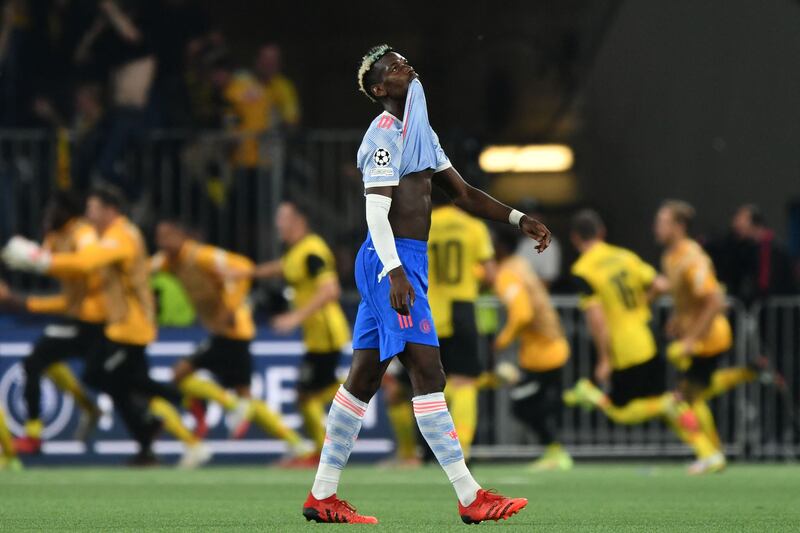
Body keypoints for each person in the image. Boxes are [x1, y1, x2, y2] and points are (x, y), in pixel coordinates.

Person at [303, 44, 551, 525]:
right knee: (428, 373)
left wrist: (519, 220)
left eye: (404, 61)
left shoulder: (421, 133)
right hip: (389, 259)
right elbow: (376, 211)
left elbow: (463, 194)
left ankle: (322, 496)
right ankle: (469, 495)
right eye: (393, 68)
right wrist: (395, 271)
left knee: (364, 379)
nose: (406, 67)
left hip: (400, 260)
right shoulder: (383, 136)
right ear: (379, 90)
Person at [2, 184, 210, 468]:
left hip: (132, 327)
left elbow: (87, 263)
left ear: (110, 210)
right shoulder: (100, 235)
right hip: (118, 325)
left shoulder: (121, 235)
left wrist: (41, 263)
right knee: (118, 383)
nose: (89, 214)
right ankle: (148, 439)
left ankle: (184, 400)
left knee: (108, 376)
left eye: (93, 209)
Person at [562, 209, 724, 474]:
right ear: (602, 232)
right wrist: (642, 305)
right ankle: (708, 452)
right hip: (647, 336)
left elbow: (597, 318)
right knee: (670, 402)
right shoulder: (625, 256)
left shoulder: (583, 269)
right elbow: (661, 285)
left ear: (575, 239)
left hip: (625, 348)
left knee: (620, 411)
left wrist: (604, 359)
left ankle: (589, 394)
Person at [151, 220, 311, 460]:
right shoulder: (169, 260)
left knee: (181, 373)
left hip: (233, 330)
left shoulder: (201, 255)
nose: (160, 242)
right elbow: (145, 268)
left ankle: (230, 408)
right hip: (226, 332)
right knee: (246, 398)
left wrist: (231, 308)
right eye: (158, 237)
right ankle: (296, 444)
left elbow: (243, 266)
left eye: (165, 236)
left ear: (180, 235)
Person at [242, 201, 350, 465]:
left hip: (326, 334)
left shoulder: (313, 251)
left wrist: (294, 317)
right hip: (316, 336)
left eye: (283, 218)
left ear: (300, 220)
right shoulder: (298, 252)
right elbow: (283, 267)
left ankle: (323, 455)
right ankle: (320, 451)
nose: (278, 224)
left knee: (306, 394)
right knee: (308, 394)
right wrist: (248, 272)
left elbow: (331, 290)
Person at [0, 191, 102, 454]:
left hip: (100, 318)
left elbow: (85, 264)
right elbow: (39, 263)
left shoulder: (84, 232)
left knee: (118, 380)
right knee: (38, 362)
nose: (47, 215)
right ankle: (40, 432)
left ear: (68, 211)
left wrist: (24, 297)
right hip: (76, 315)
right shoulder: (55, 236)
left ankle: (86, 411)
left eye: (53, 209)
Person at [653, 201, 758, 452]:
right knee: (699, 390)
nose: (656, 227)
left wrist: (692, 339)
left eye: (662, 222)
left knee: (688, 397)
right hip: (696, 334)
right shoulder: (669, 257)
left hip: (710, 337)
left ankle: (712, 453)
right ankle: (749, 372)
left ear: (679, 226)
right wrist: (677, 320)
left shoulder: (692, 258)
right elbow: (687, 299)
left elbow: (714, 301)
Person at [492, 226, 572, 471]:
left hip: (543, 354)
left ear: (500, 247)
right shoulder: (520, 264)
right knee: (539, 403)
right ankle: (555, 448)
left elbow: (522, 313)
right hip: (550, 348)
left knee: (522, 406)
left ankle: (556, 451)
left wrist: (502, 340)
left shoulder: (507, 273)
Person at [254, 44, 300, 132]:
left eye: (273, 60)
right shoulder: (244, 82)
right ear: (257, 61)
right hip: (245, 142)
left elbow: (291, 118)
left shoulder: (284, 87)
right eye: (266, 59)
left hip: (271, 141)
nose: (269, 63)